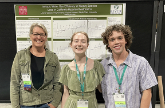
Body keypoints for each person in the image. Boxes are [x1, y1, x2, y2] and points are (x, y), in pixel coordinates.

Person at [101, 24, 157, 108]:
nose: (116, 42)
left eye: (120, 38)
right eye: (112, 39)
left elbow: (147, 91)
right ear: (108, 44)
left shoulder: (140, 62)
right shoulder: (103, 65)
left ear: (126, 40)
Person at [10, 23, 62, 108]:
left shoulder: (53, 57)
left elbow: (58, 82)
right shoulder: (20, 56)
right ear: (30, 36)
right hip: (26, 103)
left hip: (47, 103)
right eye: (36, 34)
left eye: (42, 34)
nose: (39, 37)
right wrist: (15, 106)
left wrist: (55, 103)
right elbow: (14, 82)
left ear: (45, 37)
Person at [59, 31, 105, 108]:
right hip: (71, 105)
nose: (79, 44)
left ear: (87, 45)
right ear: (71, 44)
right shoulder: (66, 69)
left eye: (83, 41)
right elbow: (66, 93)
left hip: (91, 104)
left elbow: (101, 89)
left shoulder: (97, 66)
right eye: (76, 41)